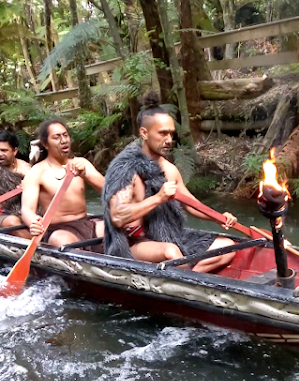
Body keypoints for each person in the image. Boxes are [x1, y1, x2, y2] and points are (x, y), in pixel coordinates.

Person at [102, 92, 238, 273]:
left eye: (171, 134)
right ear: (144, 133)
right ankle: (187, 281)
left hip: (168, 235)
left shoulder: (169, 169)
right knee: (171, 252)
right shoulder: (125, 169)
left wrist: (219, 217)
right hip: (133, 244)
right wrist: (159, 198)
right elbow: (118, 217)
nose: (169, 140)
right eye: (162, 134)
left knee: (226, 247)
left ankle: (188, 277)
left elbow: (190, 204)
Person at [21, 119, 105, 249]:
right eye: (57, 137)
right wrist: (34, 222)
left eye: (65, 135)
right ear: (45, 144)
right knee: (60, 240)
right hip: (59, 229)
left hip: (86, 223)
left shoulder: (81, 163)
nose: (64, 140)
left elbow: (108, 190)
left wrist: (86, 174)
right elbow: (27, 209)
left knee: (117, 228)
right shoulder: (36, 172)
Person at [0, 131, 31, 238]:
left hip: (27, 211)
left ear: (15, 151)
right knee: (12, 222)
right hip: (4, 214)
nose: (0, 154)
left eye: (4, 150)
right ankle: (38, 248)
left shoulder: (25, 169)